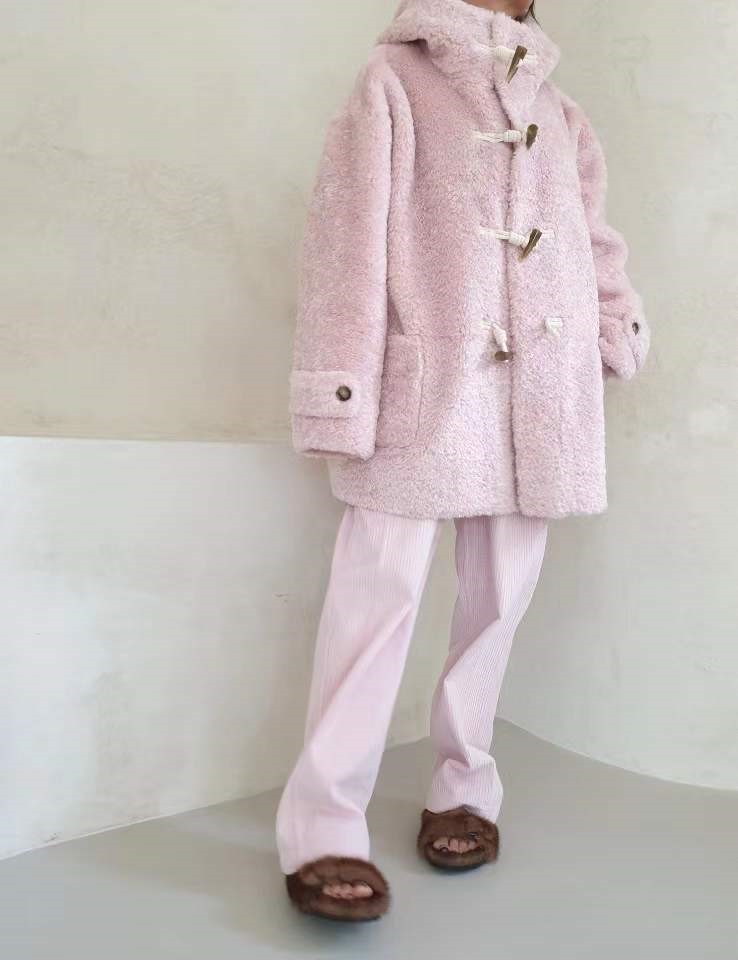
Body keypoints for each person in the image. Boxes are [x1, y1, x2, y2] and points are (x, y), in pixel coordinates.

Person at [277, 0, 650, 922]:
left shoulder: (559, 112)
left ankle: (464, 789)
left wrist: (612, 326)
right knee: (376, 600)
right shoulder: (393, 81)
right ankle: (323, 828)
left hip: (542, 396)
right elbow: (344, 246)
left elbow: (594, 239)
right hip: (426, 388)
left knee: (498, 603)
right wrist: (340, 386)